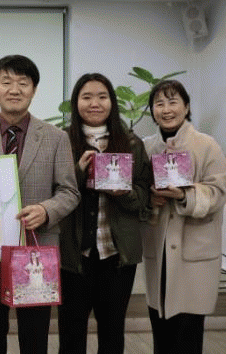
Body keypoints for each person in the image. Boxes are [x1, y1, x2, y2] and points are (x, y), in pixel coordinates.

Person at [0, 54, 79, 354]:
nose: (14, 89)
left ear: (34, 89)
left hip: (36, 251)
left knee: (35, 335)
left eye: (23, 83)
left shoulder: (56, 138)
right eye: (6, 82)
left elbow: (70, 191)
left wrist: (46, 210)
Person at [57, 73, 151, 354]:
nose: (94, 103)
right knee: (71, 332)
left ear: (112, 102)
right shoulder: (61, 141)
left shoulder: (131, 143)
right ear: (76, 103)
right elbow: (52, 193)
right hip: (73, 255)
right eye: (86, 97)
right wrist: (77, 172)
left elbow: (144, 195)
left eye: (102, 96)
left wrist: (124, 193)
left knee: (112, 331)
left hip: (116, 255)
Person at [141, 80, 226, 354]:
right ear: (152, 110)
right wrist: (149, 199)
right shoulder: (145, 147)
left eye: (173, 102)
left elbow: (218, 192)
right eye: (159, 103)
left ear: (186, 107)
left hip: (194, 253)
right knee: (160, 329)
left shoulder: (207, 145)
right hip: (159, 251)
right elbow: (136, 192)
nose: (166, 109)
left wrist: (183, 195)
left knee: (188, 333)